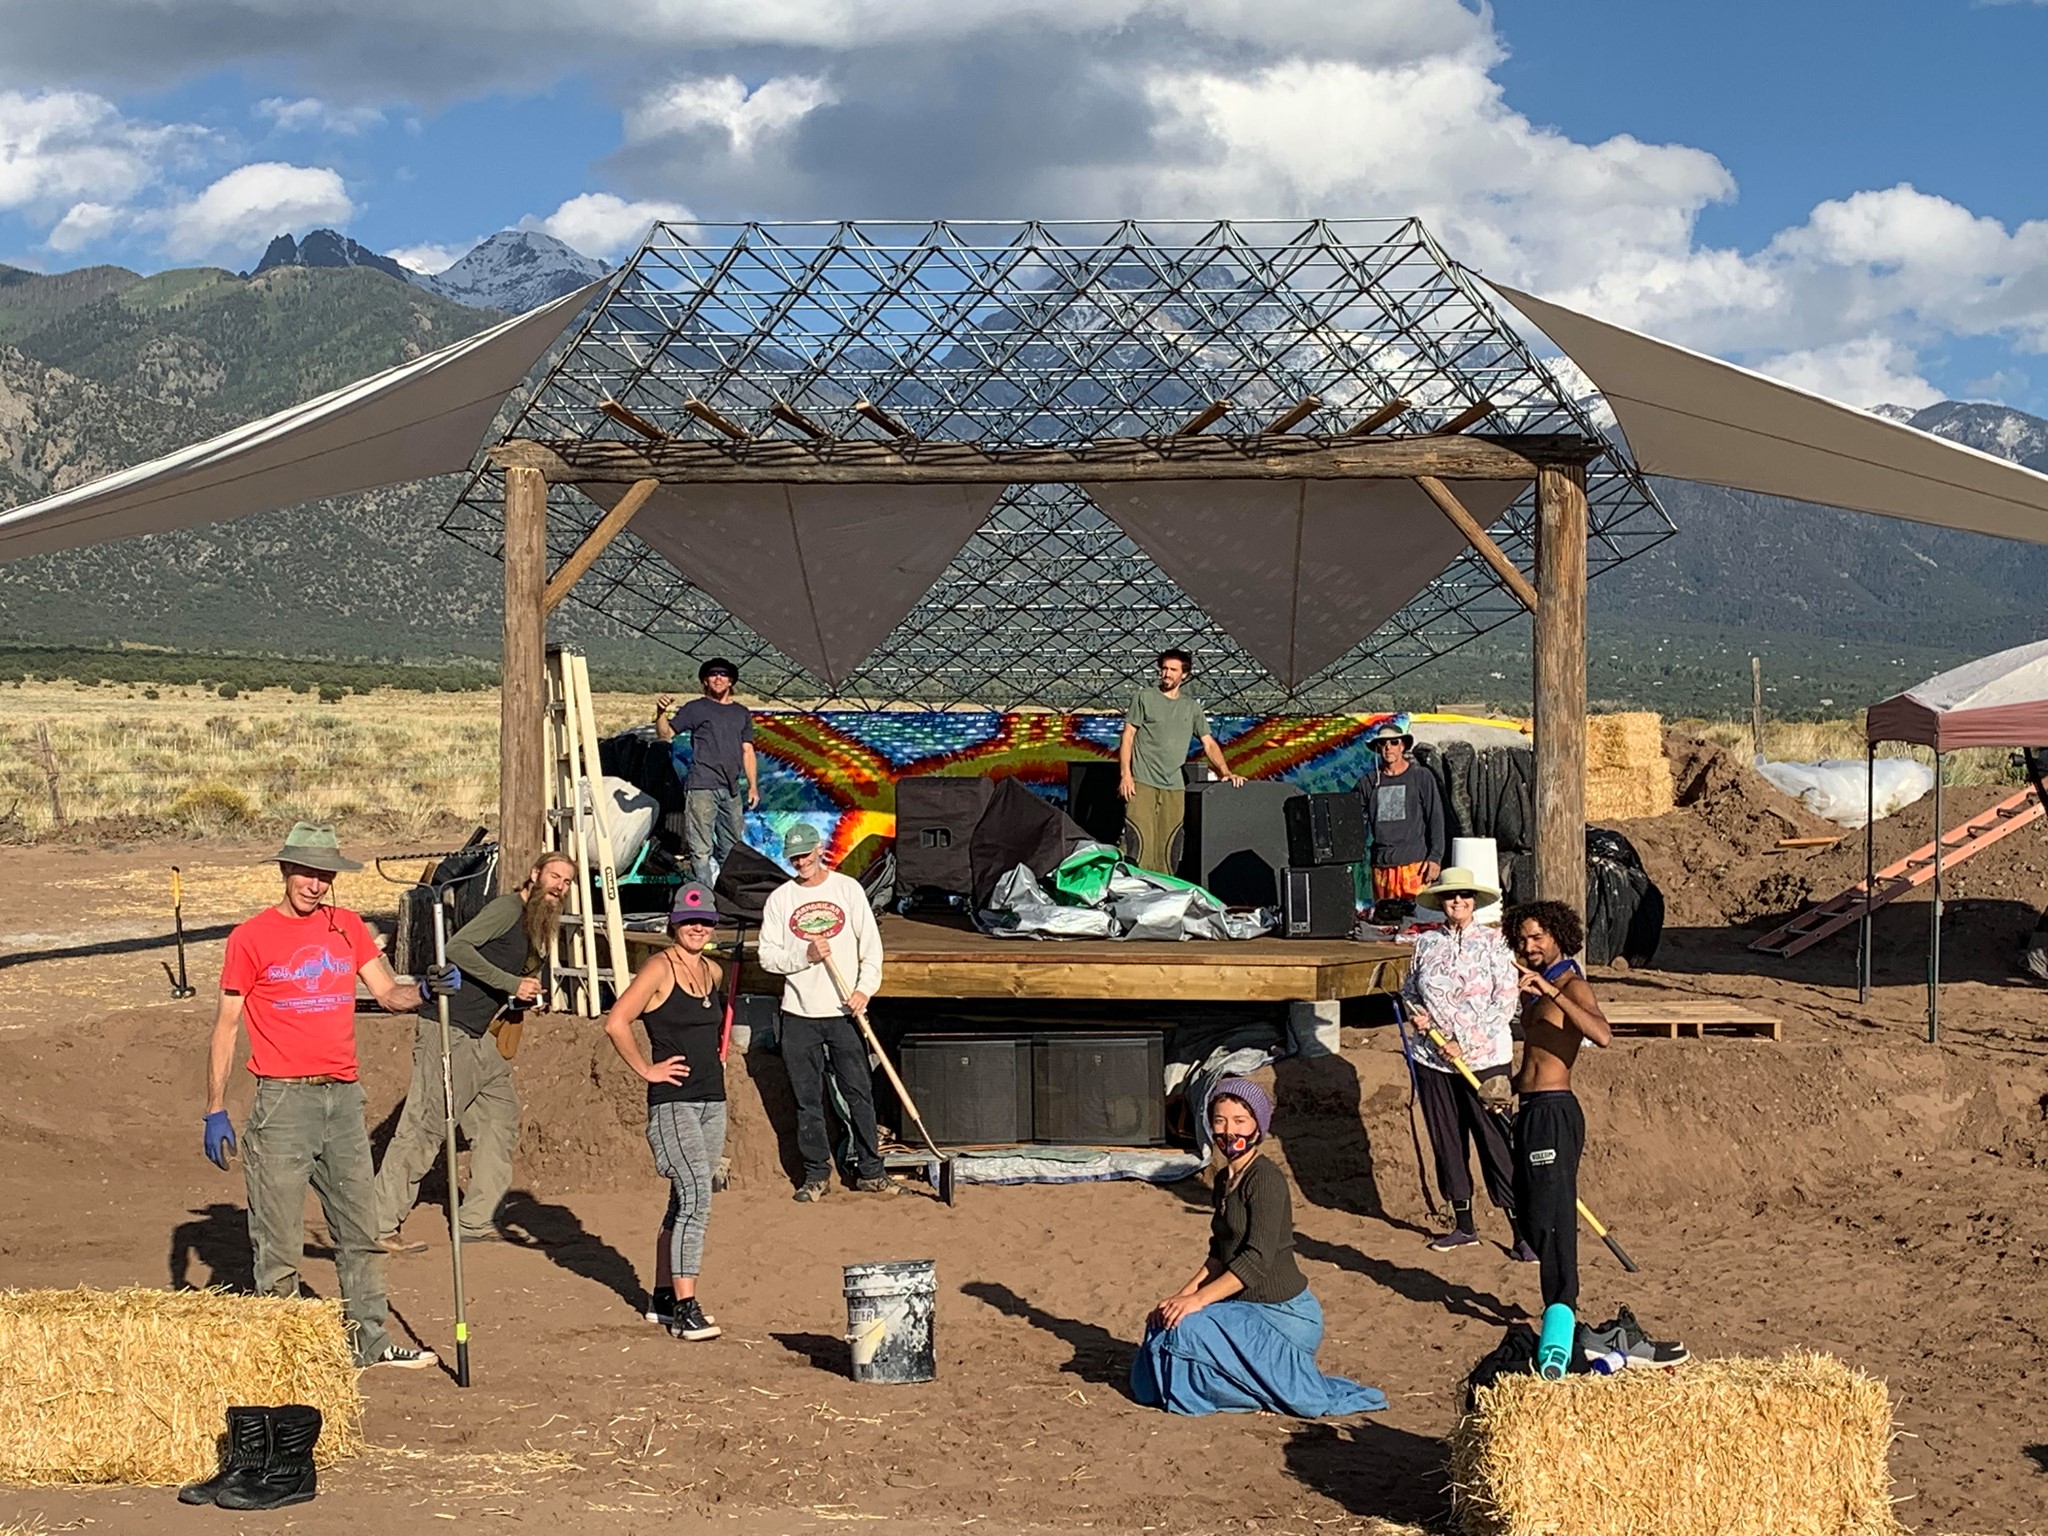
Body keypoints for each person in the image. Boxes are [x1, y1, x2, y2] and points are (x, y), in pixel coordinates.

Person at [202, 822, 452, 1370]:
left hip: (342, 1100)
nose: (315, 884)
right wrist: (216, 1107)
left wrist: (428, 990)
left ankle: (369, 1339)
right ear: (286, 871)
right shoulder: (250, 938)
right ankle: (283, 1352)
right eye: (307, 872)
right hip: (283, 1104)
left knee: (359, 1230)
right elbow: (226, 1026)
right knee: (279, 1239)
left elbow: (388, 994)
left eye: (325, 875)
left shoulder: (349, 929)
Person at [1132, 1078, 1387, 1417]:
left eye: (1240, 1121)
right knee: (1163, 1325)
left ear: (1257, 1126)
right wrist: (1179, 1299)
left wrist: (1196, 1302)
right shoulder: (1223, 1181)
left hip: (1283, 1314)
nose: (1228, 1131)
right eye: (1220, 1120)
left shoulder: (1266, 1180)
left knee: (1189, 1328)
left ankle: (1258, 1393)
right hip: (1241, 1309)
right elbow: (1219, 1255)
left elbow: (1255, 1261)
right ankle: (1249, 1386)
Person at [371, 851, 576, 1253]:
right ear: (534, 874)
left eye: (566, 882)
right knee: (425, 1126)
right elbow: (459, 949)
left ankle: (477, 1220)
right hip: (448, 1027)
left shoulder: (537, 923)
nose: (559, 886)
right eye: (554, 876)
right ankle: (377, 1224)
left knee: (499, 1121)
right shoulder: (505, 908)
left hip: (483, 1035)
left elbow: (509, 978)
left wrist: (519, 996)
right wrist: (510, 983)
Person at [603, 881, 730, 1342]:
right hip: (673, 1103)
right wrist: (646, 1070)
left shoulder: (713, 973)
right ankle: (686, 1305)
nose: (696, 927)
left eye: (704, 921)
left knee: (684, 1199)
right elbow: (616, 1022)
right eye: (688, 920)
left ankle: (661, 1295)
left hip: (712, 1101)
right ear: (673, 924)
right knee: (697, 1195)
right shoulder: (658, 968)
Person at [758, 822, 896, 1202]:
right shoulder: (781, 900)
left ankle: (871, 1171)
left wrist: (864, 990)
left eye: (805, 853)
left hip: (845, 1012)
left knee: (859, 1093)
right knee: (807, 1099)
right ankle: (816, 1175)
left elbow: (872, 949)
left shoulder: (847, 890)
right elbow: (767, 957)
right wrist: (806, 955)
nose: (800, 861)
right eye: (794, 857)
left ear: (820, 850)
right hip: (798, 1015)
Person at [1399, 868, 1529, 1258]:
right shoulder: (1426, 944)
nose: (1458, 902)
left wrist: (1464, 1042)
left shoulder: (1495, 944)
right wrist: (1417, 1014)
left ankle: (1520, 1232)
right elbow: (1409, 990)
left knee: (1495, 1141)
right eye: (1451, 896)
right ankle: (1463, 1225)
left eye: (1464, 896)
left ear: (1474, 901)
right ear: (1441, 901)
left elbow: (1505, 1003)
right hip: (1433, 1059)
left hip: (1484, 1060)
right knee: (1447, 1140)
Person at [1505, 900, 1613, 1313]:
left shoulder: (1571, 986)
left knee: (1554, 1215)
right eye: (1523, 938)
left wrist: (1552, 991)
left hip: (1555, 1109)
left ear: (1557, 937)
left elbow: (1602, 1035)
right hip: (1529, 1107)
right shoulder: (1533, 991)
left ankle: (1562, 1303)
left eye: (1537, 937)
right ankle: (1556, 1295)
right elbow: (1534, 1059)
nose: (1529, 945)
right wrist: (1506, 1088)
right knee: (1529, 1208)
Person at [1117, 649, 1244, 874]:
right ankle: (1134, 890)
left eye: (1173, 670)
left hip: (1174, 785)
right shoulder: (1144, 697)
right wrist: (1126, 775)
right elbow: (1128, 736)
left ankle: (1164, 891)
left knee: (1169, 842)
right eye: (1164, 668)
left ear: (1184, 674)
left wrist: (1226, 772)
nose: (1166, 673)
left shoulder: (1191, 707)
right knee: (1140, 838)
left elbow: (1209, 743)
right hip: (1142, 781)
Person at [656, 658, 760, 884]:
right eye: (713, 674)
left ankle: (729, 900)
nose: (718, 677)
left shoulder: (741, 713)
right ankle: (707, 904)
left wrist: (753, 786)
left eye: (723, 674)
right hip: (702, 786)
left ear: (731, 681)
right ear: (705, 680)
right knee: (701, 850)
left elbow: (748, 751)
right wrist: (660, 713)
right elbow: (666, 734)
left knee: (732, 849)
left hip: (731, 789)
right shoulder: (695, 708)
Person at [1356, 716, 1445, 918]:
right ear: (1378, 748)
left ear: (1403, 745)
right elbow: (1352, 819)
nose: (1388, 747)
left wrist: (1435, 857)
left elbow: (1436, 818)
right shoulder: (1368, 782)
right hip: (1381, 866)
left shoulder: (1421, 777)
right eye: (1383, 743)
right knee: (1385, 924)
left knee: (1416, 923)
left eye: (1394, 742)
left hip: (1415, 866)